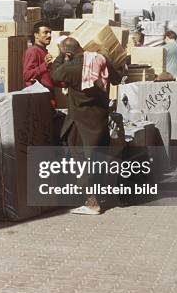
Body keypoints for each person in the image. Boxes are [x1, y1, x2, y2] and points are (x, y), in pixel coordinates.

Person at [50, 37, 123, 215]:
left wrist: (60, 57)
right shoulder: (100, 59)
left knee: (81, 162)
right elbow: (117, 79)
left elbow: (54, 76)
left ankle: (92, 203)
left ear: (68, 53)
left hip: (80, 123)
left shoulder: (70, 67)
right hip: (100, 120)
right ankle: (101, 195)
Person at [23, 22, 55, 106]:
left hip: (48, 98)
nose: (49, 35)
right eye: (45, 32)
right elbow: (27, 75)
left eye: (50, 33)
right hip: (40, 100)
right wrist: (44, 66)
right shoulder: (33, 51)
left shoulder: (44, 51)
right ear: (36, 35)